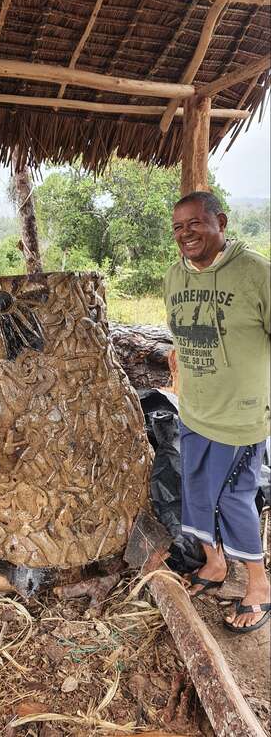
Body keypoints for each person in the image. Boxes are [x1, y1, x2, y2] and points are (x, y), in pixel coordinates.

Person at [164, 190, 270, 633]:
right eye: (178, 228)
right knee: (197, 493)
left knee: (233, 500)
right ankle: (215, 564)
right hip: (194, 413)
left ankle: (260, 588)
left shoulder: (256, 273)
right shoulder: (174, 276)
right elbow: (178, 342)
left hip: (240, 417)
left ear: (220, 222)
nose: (185, 234)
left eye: (194, 224)